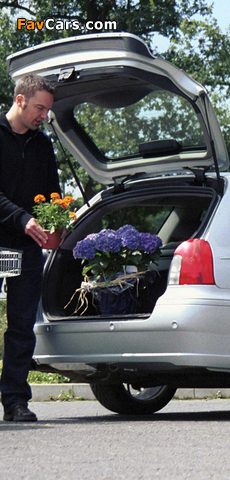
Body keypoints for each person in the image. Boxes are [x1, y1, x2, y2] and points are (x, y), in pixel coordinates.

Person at [0, 74, 60, 422]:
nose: (44, 116)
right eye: (40, 108)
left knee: (22, 325)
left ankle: (15, 402)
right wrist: (21, 218)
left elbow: (52, 194)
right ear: (20, 100)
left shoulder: (43, 145)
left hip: (25, 249)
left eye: (48, 110)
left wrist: (57, 226)